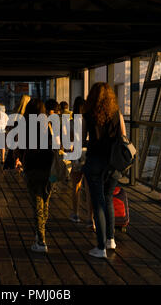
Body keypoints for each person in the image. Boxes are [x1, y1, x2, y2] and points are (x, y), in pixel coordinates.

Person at [82, 82, 127, 258]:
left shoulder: (88, 115)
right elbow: (123, 137)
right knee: (108, 199)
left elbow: (82, 139)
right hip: (113, 164)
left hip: (94, 162)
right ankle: (111, 239)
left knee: (98, 202)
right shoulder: (118, 114)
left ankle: (100, 248)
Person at [15, 99, 54, 253]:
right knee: (45, 201)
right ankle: (41, 233)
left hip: (32, 166)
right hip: (48, 166)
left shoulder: (25, 125)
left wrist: (19, 160)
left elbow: (19, 146)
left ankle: (41, 240)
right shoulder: (48, 124)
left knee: (37, 202)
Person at [68, 97, 93, 230]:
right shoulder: (90, 121)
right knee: (89, 188)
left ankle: (76, 214)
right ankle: (90, 218)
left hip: (77, 154)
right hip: (89, 154)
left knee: (76, 186)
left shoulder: (72, 122)